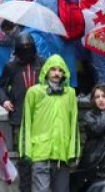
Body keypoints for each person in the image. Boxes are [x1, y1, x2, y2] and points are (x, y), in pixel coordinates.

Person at [20, 54, 80, 192]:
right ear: (46, 70)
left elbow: (74, 123)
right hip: (40, 153)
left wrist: (73, 152)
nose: (57, 73)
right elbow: (26, 123)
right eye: (53, 69)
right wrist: (26, 151)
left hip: (62, 155)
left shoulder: (70, 93)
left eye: (60, 70)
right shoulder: (33, 92)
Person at [0, 33, 44, 192]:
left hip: (41, 118)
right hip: (19, 118)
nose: (26, 52)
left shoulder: (43, 63)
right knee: (25, 159)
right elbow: (0, 86)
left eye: (28, 48)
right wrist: (5, 101)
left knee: (41, 157)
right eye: (22, 49)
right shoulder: (11, 66)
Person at [79, 84, 105, 187]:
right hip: (95, 162)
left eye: (104, 96)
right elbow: (98, 129)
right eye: (97, 97)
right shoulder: (89, 115)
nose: (101, 100)